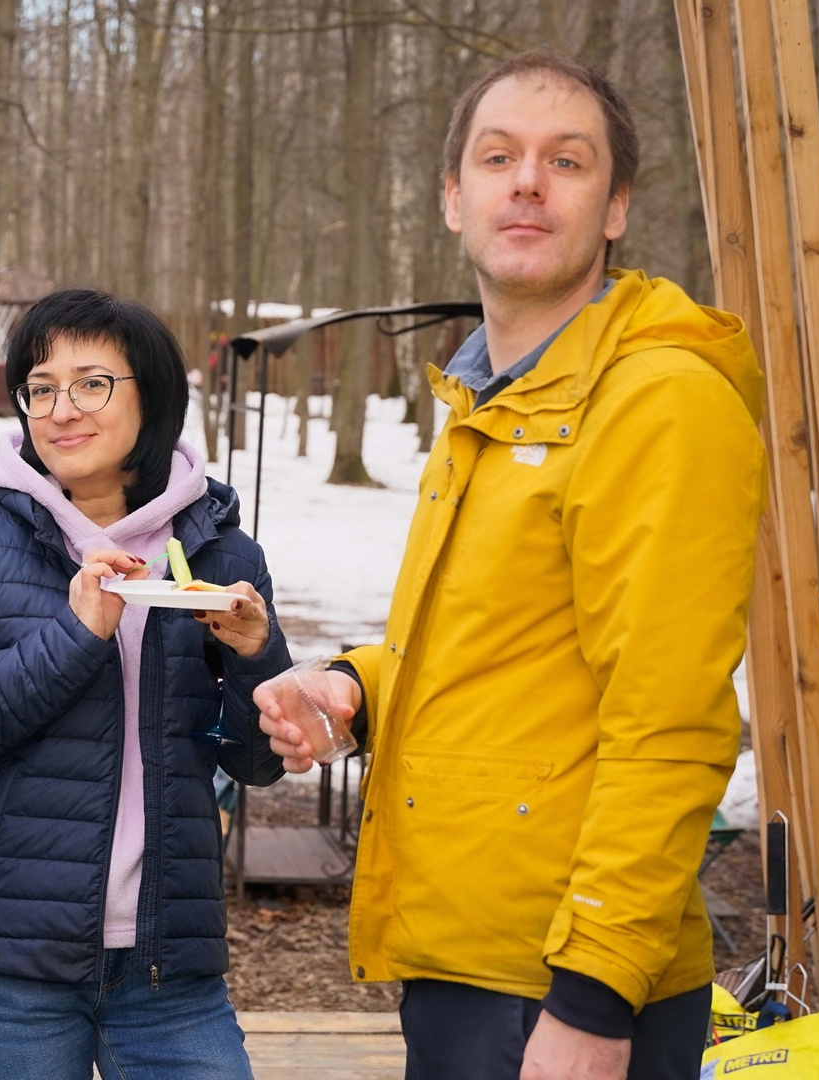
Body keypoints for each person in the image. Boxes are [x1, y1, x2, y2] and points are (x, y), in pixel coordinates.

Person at [254, 50, 766, 1080]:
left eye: (566, 161)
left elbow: (670, 721)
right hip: (469, 958)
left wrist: (594, 999)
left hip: (562, 988)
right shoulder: (495, 400)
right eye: (499, 157)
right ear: (454, 198)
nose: (528, 181)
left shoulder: (656, 400)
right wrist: (358, 686)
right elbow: (501, 656)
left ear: (615, 207)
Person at [0, 289, 293, 1079]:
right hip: (12, 960)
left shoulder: (221, 556)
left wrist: (256, 655)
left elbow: (254, 761)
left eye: (91, 384)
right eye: (41, 388)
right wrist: (76, 635)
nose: (61, 410)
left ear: (154, 395)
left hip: (169, 965)